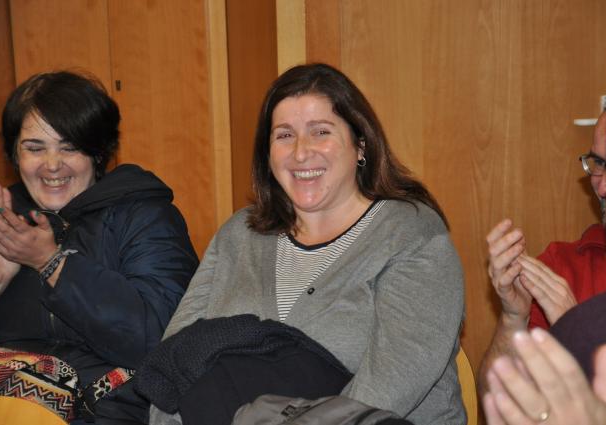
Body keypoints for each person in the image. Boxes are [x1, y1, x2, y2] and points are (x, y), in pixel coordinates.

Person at [150, 63, 466, 425]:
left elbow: (391, 384)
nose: (301, 152)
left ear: (360, 145)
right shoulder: (238, 234)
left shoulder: (411, 234)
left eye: (320, 132)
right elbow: (172, 363)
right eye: (284, 135)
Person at [0, 71, 199, 424]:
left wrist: (52, 263)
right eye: (35, 148)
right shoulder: (3, 218)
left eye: (69, 147)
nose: (52, 165)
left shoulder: (144, 216)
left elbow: (161, 342)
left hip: (104, 411)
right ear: (15, 154)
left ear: (98, 152)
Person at [481, 77, 606, 425]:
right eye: (599, 164)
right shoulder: (561, 267)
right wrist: (513, 317)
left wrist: (577, 331)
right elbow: (497, 404)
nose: (604, 188)